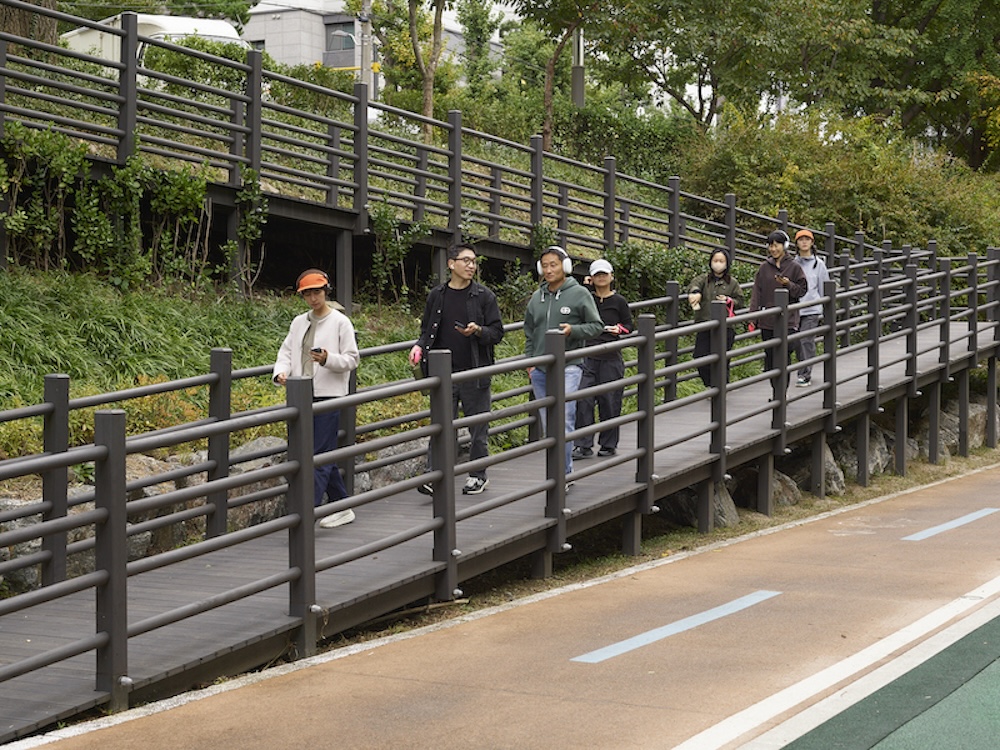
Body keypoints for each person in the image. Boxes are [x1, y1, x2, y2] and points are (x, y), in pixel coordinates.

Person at [408, 244, 504, 496]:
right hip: (443, 374)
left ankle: (478, 475)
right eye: (466, 260)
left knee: (477, 427)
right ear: (451, 264)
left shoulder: (484, 296)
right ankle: (434, 475)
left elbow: (497, 332)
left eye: (474, 261)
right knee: (441, 426)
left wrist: (479, 330)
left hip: (474, 372)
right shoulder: (437, 295)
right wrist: (419, 346)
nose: (471, 266)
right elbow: (427, 330)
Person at [273, 269, 360, 528]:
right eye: (307, 294)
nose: (313, 298)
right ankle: (342, 506)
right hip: (301, 395)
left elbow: (352, 359)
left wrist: (327, 359)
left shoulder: (340, 322)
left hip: (328, 395)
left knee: (319, 455)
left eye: (317, 292)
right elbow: (286, 352)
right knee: (313, 453)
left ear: (326, 291)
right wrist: (281, 373)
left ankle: (305, 514)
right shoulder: (298, 322)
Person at [524, 246, 604, 482]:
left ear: (565, 266)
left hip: (570, 365)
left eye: (553, 265)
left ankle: (563, 474)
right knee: (549, 423)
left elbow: (596, 326)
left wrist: (573, 330)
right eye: (545, 266)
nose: (549, 270)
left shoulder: (579, 294)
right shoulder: (537, 297)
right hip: (540, 369)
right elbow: (529, 331)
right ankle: (557, 470)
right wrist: (530, 362)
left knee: (563, 418)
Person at [572, 259, 633, 459]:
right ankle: (583, 444)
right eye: (597, 274)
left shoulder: (619, 301)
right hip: (587, 355)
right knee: (583, 399)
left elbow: (629, 325)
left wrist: (619, 329)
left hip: (611, 355)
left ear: (611, 276)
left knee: (610, 401)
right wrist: (585, 287)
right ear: (591, 277)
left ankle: (608, 444)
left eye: (604, 274)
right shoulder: (585, 298)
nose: (601, 278)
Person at [748, 230, 808, 396]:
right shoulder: (764, 267)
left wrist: (788, 284)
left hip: (788, 320)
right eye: (771, 245)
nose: (773, 249)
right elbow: (757, 292)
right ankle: (776, 391)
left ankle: (781, 394)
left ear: (785, 246)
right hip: (767, 321)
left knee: (783, 356)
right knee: (770, 359)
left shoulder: (794, 267)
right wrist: (753, 315)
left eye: (776, 245)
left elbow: (802, 290)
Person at [687, 249, 744, 389]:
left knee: (722, 360)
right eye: (715, 260)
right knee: (700, 357)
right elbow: (694, 285)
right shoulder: (704, 279)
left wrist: (729, 300)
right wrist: (695, 292)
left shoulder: (732, 283)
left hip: (725, 327)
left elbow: (740, 301)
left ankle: (721, 388)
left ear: (727, 263)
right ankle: (711, 385)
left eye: (721, 261)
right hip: (705, 324)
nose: (718, 264)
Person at [792, 229, 831, 387]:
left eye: (807, 239)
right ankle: (804, 368)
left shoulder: (819, 264)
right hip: (795, 309)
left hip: (812, 309)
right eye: (801, 239)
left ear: (812, 242)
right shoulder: (793, 264)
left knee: (806, 340)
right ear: (796, 243)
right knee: (796, 342)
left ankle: (804, 374)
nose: (804, 242)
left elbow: (824, 288)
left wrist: (824, 307)